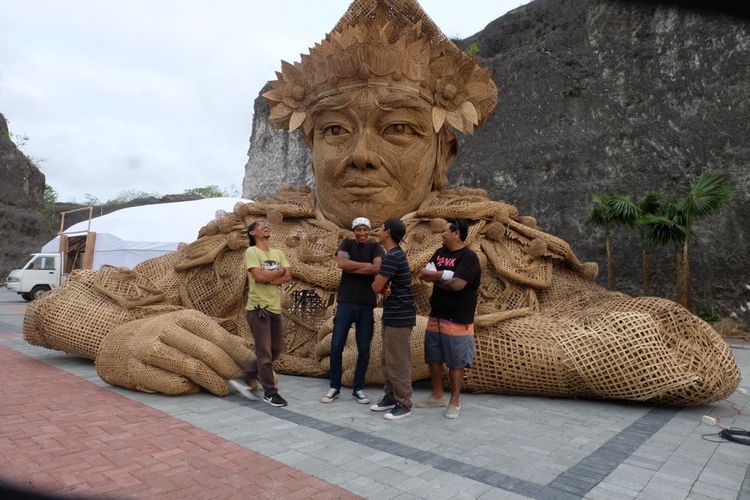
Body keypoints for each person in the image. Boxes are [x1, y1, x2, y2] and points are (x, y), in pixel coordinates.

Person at [23, 0, 739, 407]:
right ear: (312, 147)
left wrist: (428, 347)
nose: (359, 153)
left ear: (443, 151)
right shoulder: (247, 244)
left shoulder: (497, 250)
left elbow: (691, 356)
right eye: (335, 130)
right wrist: (113, 339)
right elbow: (62, 301)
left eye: (396, 128)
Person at [417, 218, 481, 419]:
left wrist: (437, 275)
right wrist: (445, 275)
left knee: (456, 361)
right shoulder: (440, 253)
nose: (441, 234)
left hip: (458, 318)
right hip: (436, 314)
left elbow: (458, 285)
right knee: (433, 356)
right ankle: (437, 395)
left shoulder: (469, 257)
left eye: (445, 231)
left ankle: (455, 400)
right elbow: (422, 274)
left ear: (456, 233)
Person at [228, 220, 292, 407]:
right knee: (264, 353)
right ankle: (270, 393)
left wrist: (273, 277)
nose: (266, 225)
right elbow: (259, 276)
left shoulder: (277, 253)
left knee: (276, 349)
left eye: (267, 224)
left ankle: (244, 378)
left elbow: (288, 276)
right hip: (258, 310)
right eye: (261, 224)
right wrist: (277, 273)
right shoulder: (251, 252)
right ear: (252, 233)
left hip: (274, 308)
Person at [321, 216, 383, 404]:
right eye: (359, 229)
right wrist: (367, 266)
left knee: (364, 348)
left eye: (365, 229)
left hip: (366, 304)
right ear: (354, 231)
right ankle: (334, 386)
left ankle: (358, 388)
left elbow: (378, 268)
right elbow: (341, 264)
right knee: (336, 345)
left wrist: (354, 267)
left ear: (369, 231)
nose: (362, 233)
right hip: (346, 302)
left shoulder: (375, 247)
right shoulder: (346, 243)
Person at [369, 218, 416, 420]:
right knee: (387, 359)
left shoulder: (392, 257)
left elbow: (376, 287)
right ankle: (390, 396)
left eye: (380, 228)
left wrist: (373, 275)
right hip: (393, 314)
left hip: (399, 316)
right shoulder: (395, 255)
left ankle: (404, 402)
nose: (377, 231)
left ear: (387, 232)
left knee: (398, 361)